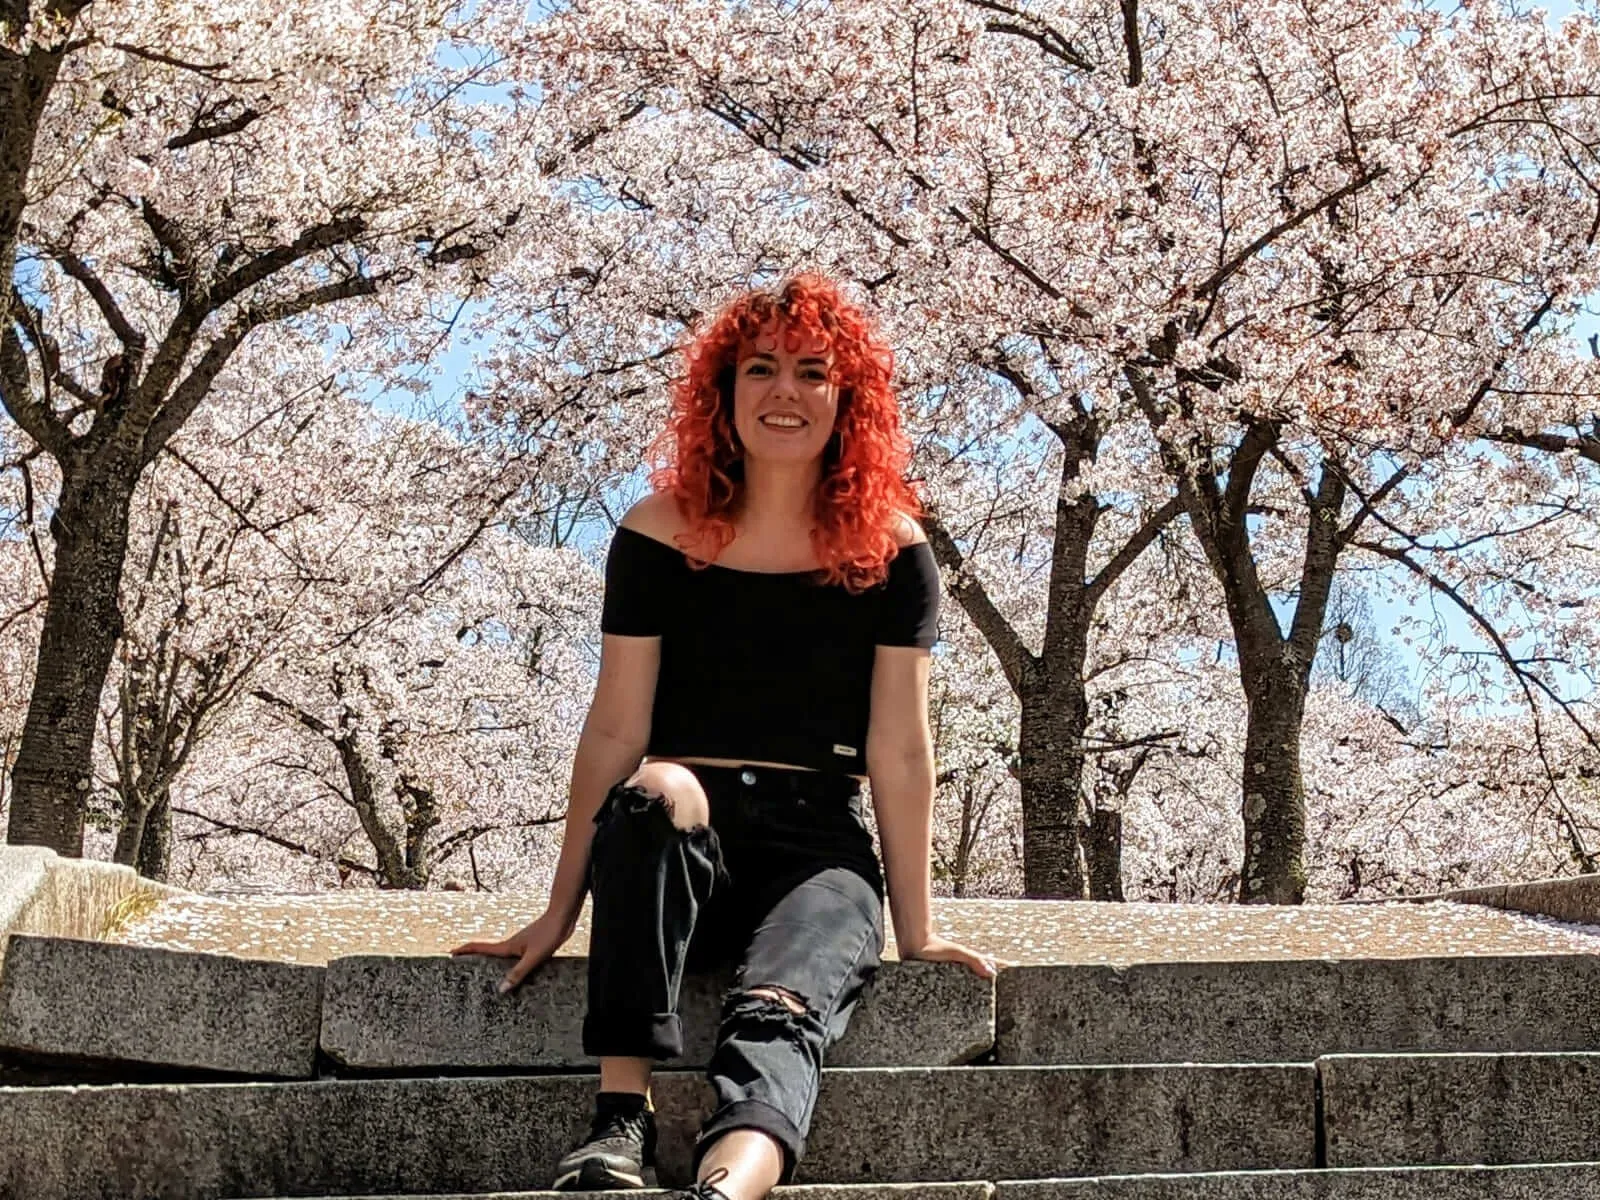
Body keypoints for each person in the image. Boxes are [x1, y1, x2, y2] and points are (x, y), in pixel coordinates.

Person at [450, 273, 997, 1200]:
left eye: (813, 373)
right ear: (725, 392)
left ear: (844, 400)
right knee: (656, 788)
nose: (785, 392)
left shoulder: (892, 550)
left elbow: (901, 750)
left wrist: (919, 927)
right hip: (681, 833)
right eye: (762, 369)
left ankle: (725, 1188)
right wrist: (560, 908)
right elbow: (617, 723)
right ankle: (619, 1122)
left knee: (779, 1010)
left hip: (816, 848)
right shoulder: (657, 531)